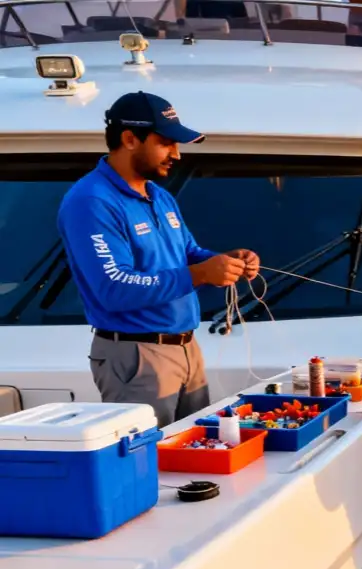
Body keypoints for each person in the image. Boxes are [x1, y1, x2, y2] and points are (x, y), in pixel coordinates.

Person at [57, 91, 259, 427]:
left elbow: (188, 254)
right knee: (149, 468)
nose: (177, 154)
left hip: (186, 348)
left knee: (191, 459)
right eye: (166, 142)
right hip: (137, 357)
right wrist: (201, 274)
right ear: (129, 139)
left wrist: (224, 261)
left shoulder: (159, 195)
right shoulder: (90, 201)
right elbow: (114, 287)